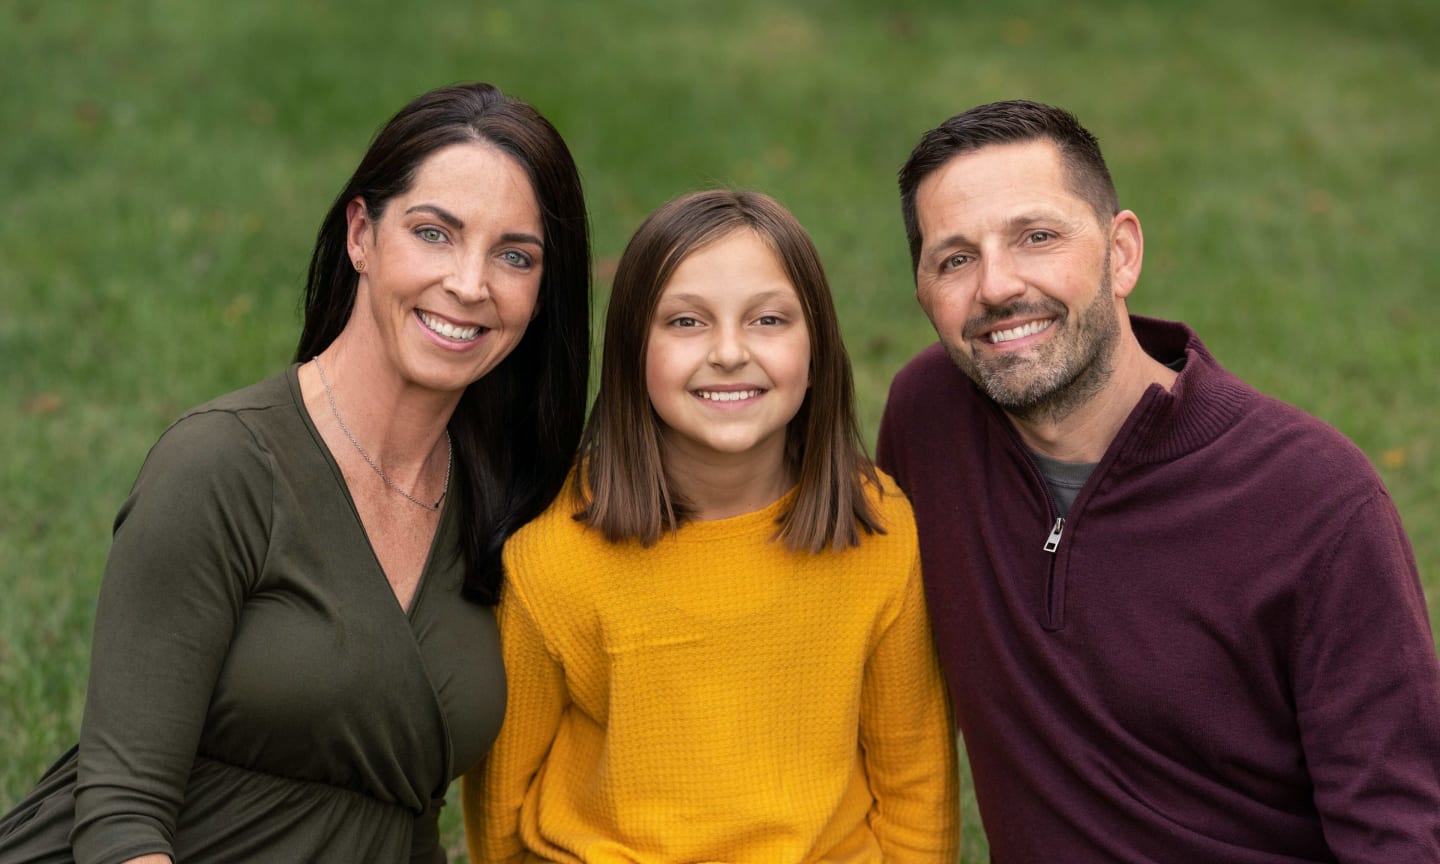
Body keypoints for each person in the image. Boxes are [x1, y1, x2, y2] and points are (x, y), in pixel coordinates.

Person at [0, 82, 591, 864]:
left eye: (514, 255)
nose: (471, 283)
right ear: (360, 236)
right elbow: (121, 816)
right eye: (433, 233)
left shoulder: (502, 506)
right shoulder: (219, 466)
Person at [877, 98, 1440, 862]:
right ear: (922, 293)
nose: (997, 287)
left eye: (1037, 237)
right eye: (955, 258)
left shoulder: (1317, 503)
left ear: (1122, 253)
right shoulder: (927, 420)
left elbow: (1400, 831)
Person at [463, 189, 959, 863]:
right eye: (687, 322)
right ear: (633, 351)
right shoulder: (552, 552)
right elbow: (502, 803)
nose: (728, 352)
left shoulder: (880, 530)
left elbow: (915, 787)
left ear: (817, 348)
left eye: (769, 320)